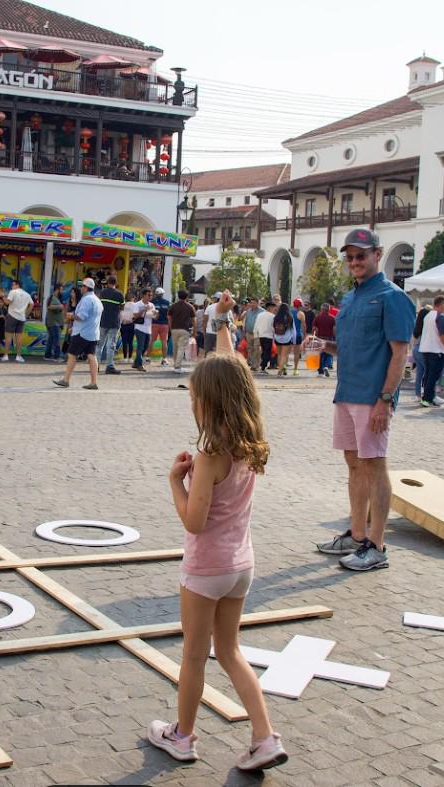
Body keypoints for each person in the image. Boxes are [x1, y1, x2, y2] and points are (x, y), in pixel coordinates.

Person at [147, 290, 287, 773]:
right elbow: (233, 372)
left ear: (208, 404)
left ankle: (182, 736)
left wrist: (174, 481)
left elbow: (193, 521)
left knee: (193, 656)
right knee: (231, 651)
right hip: (242, 566)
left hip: (206, 568)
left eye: (194, 398)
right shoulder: (250, 446)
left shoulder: (209, 457)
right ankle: (264, 736)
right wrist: (223, 322)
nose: (193, 405)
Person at [314, 229, 414, 572]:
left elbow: (400, 353)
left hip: (373, 397)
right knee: (354, 464)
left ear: (377, 254)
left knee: (375, 466)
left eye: (362, 255)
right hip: (346, 393)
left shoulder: (392, 297)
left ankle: (377, 544)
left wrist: (385, 400)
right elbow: (350, 348)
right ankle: (357, 536)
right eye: (351, 257)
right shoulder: (351, 298)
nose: (355, 262)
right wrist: (323, 347)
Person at [53, 277, 102, 390]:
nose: (80, 288)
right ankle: (93, 382)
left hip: (82, 333)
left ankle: (66, 380)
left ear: (86, 288)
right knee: (91, 356)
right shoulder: (97, 300)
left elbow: (81, 316)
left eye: (82, 286)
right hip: (93, 333)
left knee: (72, 355)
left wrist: (71, 316)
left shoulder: (86, 300)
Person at [417, 295, 444, 407]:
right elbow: (443, 334)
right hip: (436, 350)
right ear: (441, 304)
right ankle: (427, 398)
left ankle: (431, 396)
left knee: (428, 374)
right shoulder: (441, 317)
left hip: (426, 348)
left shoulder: (427, 316)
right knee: (433, 375)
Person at [96, 275, 124, 374]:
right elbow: (122, 308)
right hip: (114, 323)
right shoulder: (120, 294)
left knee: (99, 344)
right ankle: (109, 366)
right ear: (116, 283)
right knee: (111, 345)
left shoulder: (102, 293)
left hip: (102, 321)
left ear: (107, 283)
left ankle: (96, 366)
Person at [3, 279, 33, 363]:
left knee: (8, 336)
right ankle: (18, 356)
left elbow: (7, 302)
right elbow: (32, 304)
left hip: (12, 315)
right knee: (19, 337)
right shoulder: (27, 294)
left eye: (13, 285)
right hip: (21, 317)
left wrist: (3, 296)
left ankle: (6, 355)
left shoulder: (13, 292)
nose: (12, 286)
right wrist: (26, 314)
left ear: (17, 285)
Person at [168, 289, 195, 374]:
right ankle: (177, 366)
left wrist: (170, 327)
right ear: (187, 297)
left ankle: (176, 365)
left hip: (174, 328)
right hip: (185, 329)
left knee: (175, 347)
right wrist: (195, 330)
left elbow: (169, 317)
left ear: (178, 295)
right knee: (181, 348)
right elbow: (194, 320)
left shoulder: (173, 306)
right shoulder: (190, 307)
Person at [131, 287, 156, 371]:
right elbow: (135, 316)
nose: (150, 297)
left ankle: (136, 363)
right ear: (143, 295)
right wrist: (143, 310)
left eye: (151, 295)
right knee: (140, 347)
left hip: (148, 328)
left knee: (145, 346)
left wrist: (156, 314)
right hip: (139, 328)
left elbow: (154, 317)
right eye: (149, 295)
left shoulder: (152, 305)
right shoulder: (137, 304)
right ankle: (140, 365)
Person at [312, 302, 335, 377]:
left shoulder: (317, 317)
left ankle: (320, 372)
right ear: (328, 310)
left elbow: (314, 328)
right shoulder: (332, 318)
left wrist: (313, 336)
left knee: (320, 355)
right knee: (328, 354)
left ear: (322, 309)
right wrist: (335, 337)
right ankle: (326, 366)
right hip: (329, 338)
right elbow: (335, 329)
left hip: (320, 338)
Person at [271, 303, 295, 377]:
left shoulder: (276, 317)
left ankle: (280, 369)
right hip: (286, 338)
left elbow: (273, 327)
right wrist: (293, 340)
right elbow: (293, 330)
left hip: (277, 337)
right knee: (284, 355)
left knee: (279, 354)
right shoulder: (289, 317)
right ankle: (280, 371)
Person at [152, 286, 171, 366]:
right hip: (164, 324)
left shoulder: (152, 302)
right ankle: (164, 359)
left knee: (151, 341)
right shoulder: (167, 302)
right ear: (163, 294)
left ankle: (147, 358)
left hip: (154, 323)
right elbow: (168, 315)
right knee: (164, 342)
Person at [241, 298, 263, 371]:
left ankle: (255, 365)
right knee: (250, 349)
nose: (252, 304)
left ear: (258, 303)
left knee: (256, 348)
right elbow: (245, 321)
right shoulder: (248, 311)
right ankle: (251, 363)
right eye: (251, 303)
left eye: (254, 303)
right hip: (248, 332)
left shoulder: (262, 311)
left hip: (257, 333)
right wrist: (244, 332)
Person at [254, 300, 275, 374]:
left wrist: (256, 335)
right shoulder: (272, 316)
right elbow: (273, 327)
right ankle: (263, 367)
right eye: (273, 308)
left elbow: (256, 325)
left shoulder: (260, 315)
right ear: (269, 308)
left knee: (263, 351)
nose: (274, 309)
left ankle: (262, 366)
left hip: (261, 336)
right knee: (267, 352)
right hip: (268, 336)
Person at [44, 287, 65, 361]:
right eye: (61, 289)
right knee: (57, 340)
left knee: (51, 339)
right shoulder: (52, 298)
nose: (62, 291)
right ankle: (57, 356)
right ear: (57, 289)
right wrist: (60, 306)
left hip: (54, 322)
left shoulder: (56, 298)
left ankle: (47, 355)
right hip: (54, 323)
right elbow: (49, 306)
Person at [120, 291, 138, 361]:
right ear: (133, 298)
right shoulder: (135, 305)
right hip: (132, 324)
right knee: (130, 342)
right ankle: (130, 358)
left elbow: (120, 315)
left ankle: (125, 357)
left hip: (123, 324)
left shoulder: (123, 305)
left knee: (124, 341)